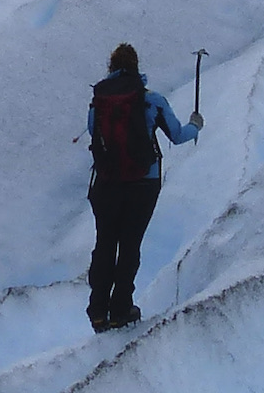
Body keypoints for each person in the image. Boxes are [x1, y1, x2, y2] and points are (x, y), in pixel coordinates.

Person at [85, 42, 198, 332]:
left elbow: (94, 136)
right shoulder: (152, 100)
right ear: (137, 67)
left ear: (111, 68)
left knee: (105, 244)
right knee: (130, 244)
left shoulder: (98, 103)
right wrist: (195, 125)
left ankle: (98, 311)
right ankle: (122, 308)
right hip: (143, 184)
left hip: (106, 184)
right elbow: (176, 135)